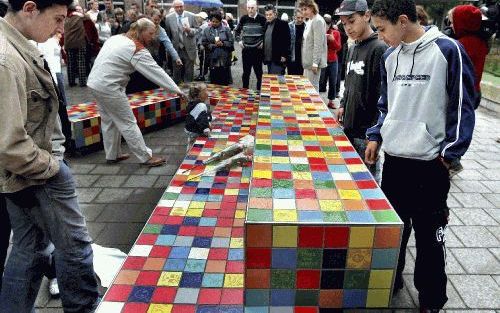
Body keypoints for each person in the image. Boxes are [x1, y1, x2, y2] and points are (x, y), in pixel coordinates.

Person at [366, 0, 476, 311]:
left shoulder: (447, 49)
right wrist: (376, 134)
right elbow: (385, 104)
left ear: (402, 21)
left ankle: (431, 299)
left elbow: (463, 104)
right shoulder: (391, 56)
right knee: (394, 231)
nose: (381, 36)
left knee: (430, 237)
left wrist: (449, 154)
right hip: (396, 162)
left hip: (431, 165)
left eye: (382, 29)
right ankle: (390, 282)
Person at [0, 0, 100, 311]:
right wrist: (54, 168)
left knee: (30, 249)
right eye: (57, 19)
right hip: (37, 170)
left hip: (26, 170)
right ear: (30, 8)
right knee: (75, 249)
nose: (61, 28)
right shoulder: (7, 58)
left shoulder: (17, 46)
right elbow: (9, 144)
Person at [87, 18, 185, 167]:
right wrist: (176, 90)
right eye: (150, 33)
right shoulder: (136, 49)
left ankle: (112, 155)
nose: (152, 37)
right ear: (140, 31)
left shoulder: (116, 38)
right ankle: (145, 157)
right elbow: (156, 71)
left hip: (95, 83)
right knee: (128, 122)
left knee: (109, 120)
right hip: (109, 86)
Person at [335, 0, 387, 182]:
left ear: (366, 15)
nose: (347, 27)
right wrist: (342, 104)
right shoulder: (353, 46)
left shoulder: (379, 48)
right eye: (343, 23)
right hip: (349, 126)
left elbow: (384, 96)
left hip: (366, 134)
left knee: (367, 184)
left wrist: (375, 136)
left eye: (351, 20)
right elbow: (349, 81)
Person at [447, 5, 489, 177]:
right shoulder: (480, 41)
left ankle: (453, 161)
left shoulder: (463, 44)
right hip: (474, 90)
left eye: (452, 20)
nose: (450, 24)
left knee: (455, 123)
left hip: (463, 92)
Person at [234, 0, 266, 90]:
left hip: (258, 51)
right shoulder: (243, 18)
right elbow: (236, 31)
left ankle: (259, 93)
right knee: (246, 74)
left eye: (252, 8)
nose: (250, 10)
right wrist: (239, 41)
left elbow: (267, 34)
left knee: (259, 74)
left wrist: (263, 42)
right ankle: (245, 92)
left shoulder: (262, 19)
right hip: (246, 50)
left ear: (256, 7)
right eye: (248, 8)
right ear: (246, 8)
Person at [164, 0, 198, 83]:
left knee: (189, 72)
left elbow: (198, 30)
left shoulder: (191, 16)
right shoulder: (168, 18)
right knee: (176, 72)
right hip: (176, 49)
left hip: (189, 49)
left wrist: (190, 30)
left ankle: (189, 90)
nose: (179, 9)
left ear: (184, 6)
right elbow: (168, 35)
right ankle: (178, 91)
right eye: (177, 7)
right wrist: (169, 50)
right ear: (174, 8)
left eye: (181, 6)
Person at [298, 0, 327, 91]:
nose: (303, 12)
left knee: (312, 89)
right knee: (306, 88)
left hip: (313, 64)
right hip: (307, 62)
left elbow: (318, 44)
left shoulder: (317, 20)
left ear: (312, 8)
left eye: (305, 9)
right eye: (302, 9)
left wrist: (315, 63)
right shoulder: (310, 20)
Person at [202, 11, 234, 85]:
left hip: (224, 59)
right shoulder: (207, 30)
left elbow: (231, 44)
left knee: (224, 82)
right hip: (212, 59)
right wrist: (213, 45)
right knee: (213, 81)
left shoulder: (226, 29)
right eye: (213, 21)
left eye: (216, 22)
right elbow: (204, 43)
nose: (214, 23)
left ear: (220, 21)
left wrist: (222, 44)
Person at [64, 3, 90, 87]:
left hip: (68, 43)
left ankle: (71, 82)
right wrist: (81, 13)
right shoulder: (80, 17)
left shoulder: (66, 18)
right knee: (81, 62)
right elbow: (88, 18)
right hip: (79, 42)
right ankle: (82, 82)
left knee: (70, 63)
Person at [319, 14, 341, 108]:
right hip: (322, 59)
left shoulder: (335, 33)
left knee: (333, 81)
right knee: (320, 81)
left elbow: (338, 47)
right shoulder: (319, 32)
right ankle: (318, 100)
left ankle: (331, 101)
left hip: (333, 60)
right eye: (324, 25)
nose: (326, 27)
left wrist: (332, 40)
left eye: (327, 24)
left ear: (330, 24)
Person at [263, 4, 290, 75]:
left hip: (278, 58)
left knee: (277, 80)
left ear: (275, 14)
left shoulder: (283, 24)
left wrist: (284, 55)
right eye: (266, 15)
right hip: (268, 58)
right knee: (271, 79)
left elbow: (287, 41)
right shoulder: (266, 24)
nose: (268, 16)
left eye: (270, 14)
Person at [185, 83, 212, 151]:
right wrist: (207, 131)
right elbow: (202, 120)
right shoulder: (201, 105)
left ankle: (189, 151)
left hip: (190, 128)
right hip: (195, 130)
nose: (208, 93)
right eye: (206, 91)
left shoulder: (192, 103)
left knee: (191, 142)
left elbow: (198, 115)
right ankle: (190, 155)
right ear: (201, 94)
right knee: (195, 145)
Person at [287, 9, 305, 75]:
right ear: (294, 17)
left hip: (302, 57)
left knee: (301, 79)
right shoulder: (289, 26)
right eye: (298, 17)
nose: (300, 19)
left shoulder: (307, 26)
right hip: (292, 57)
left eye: (302, 18)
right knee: (291, 79)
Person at [195, 11, 209, 81]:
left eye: (199, 17)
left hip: (202, 46)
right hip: (203, 45)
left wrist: (201, 44)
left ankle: (202, 75)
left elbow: (200, 36)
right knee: (203, 61)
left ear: (202, 18)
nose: (197, 18)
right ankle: (203, 74)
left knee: (202, 61)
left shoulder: (203, 26)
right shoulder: (206, 25)